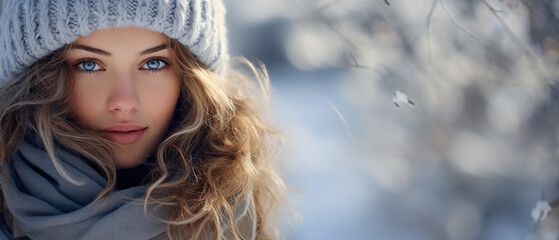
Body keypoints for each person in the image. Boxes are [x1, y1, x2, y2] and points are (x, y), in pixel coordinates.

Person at [0, 0, 285, 239]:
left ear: (194, 79)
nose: (124, 101)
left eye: (154, 63)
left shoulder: (233, 223)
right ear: (36, 80)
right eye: (89, 65)